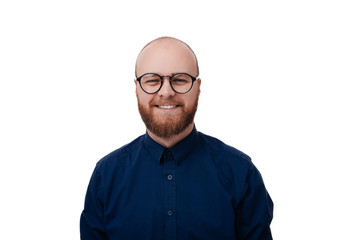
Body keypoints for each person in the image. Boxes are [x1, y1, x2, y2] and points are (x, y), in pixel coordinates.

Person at [80, 36, 273, 240]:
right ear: (137, 88)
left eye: (179, 79)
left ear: (198, 87)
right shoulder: (106, 176)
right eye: (152, 80)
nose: (166, 92)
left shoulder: (241, 174)